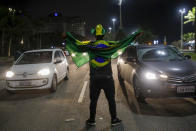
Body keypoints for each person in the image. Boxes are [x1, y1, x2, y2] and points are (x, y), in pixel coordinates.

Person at [64, 24, 141, 126]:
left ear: (95, 35)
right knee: (111, 100)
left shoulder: (90, 46)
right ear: (103, 35)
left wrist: (67, 37)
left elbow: (77, 44)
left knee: (93, 101)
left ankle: (92, 120)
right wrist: (135, 35)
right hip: (108, 78)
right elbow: (122, 43)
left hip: (95, 79)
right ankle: (114, 119)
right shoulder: (109, 45)